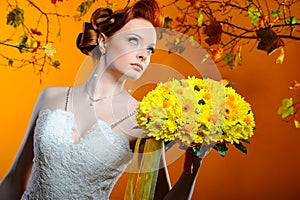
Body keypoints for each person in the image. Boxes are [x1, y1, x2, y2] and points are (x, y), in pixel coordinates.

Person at [0, 0, 207, 199]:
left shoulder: (144, 120)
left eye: (150, 49)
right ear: (103, 41)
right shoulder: (50, 97)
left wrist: (192, 169)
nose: (145, 55)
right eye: (134, 40)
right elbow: (14, 181)